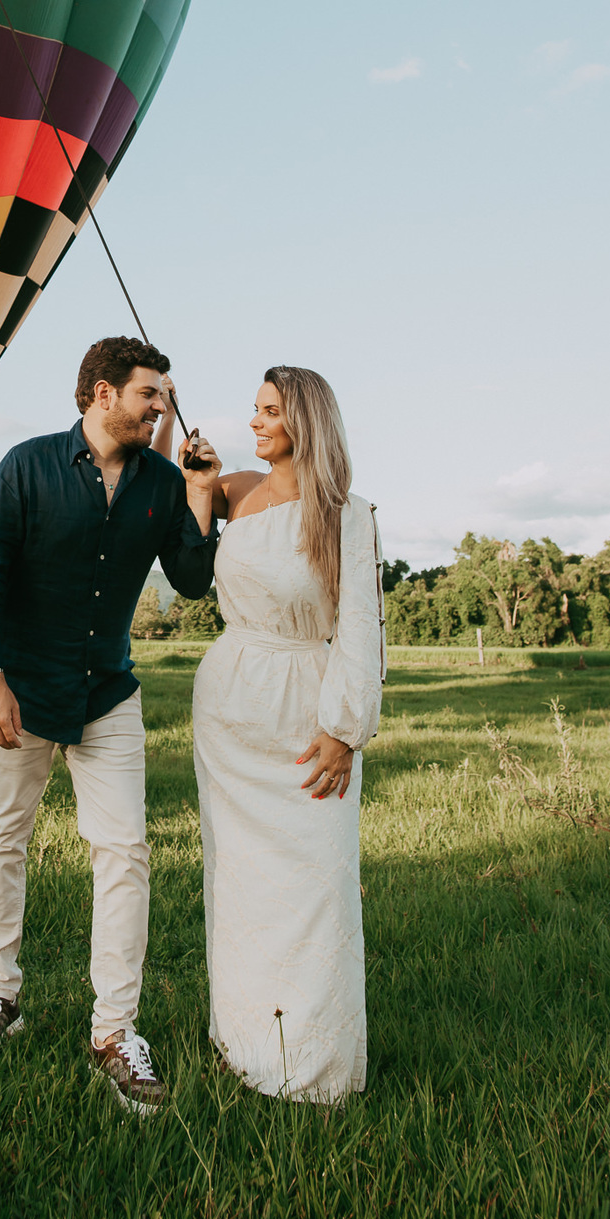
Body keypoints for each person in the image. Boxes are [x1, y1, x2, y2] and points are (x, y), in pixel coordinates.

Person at [0, 337, 221, 1114]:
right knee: (3, 836)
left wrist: (200, 493)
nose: (162, 406)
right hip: (23, 692)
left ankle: (114, 1031)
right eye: (150, 393)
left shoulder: (162, 483)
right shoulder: (27, 466)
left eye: (164, 394)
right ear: (102, 395)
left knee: (125, 855)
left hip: (108, 693)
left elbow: (193, 581)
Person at [160, 365, 383, 1102]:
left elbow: (360, 630)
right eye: (253, 410)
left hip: (304, 714)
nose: (254, 423)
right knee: (239, 883)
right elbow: (187, 569)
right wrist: (197, 486)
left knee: (314, 885)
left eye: (269, 413)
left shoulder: (344, 513)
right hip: (228, 709)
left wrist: (344, 731)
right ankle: (244, 1042)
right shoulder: (237, 491)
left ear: (306, 424)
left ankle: (312, 1068)